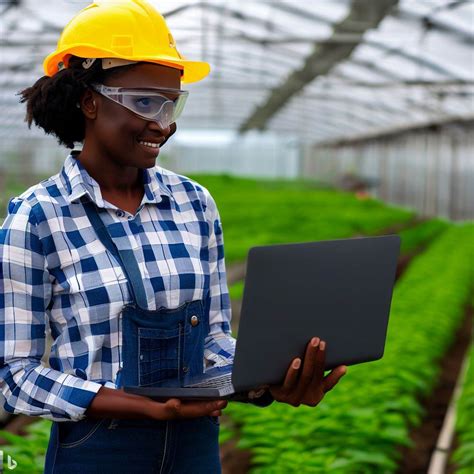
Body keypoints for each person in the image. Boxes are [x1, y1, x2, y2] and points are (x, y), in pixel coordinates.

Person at [0, 1, 347, 472]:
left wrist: (265, 382)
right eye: (145, 102)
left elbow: (214, 340)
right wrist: (137, 406)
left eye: (172, 103)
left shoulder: (194, 203)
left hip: (196, 448)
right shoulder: (37, 217)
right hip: (97, 452)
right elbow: (15, 377)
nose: (163, 124)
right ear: (89, 102)